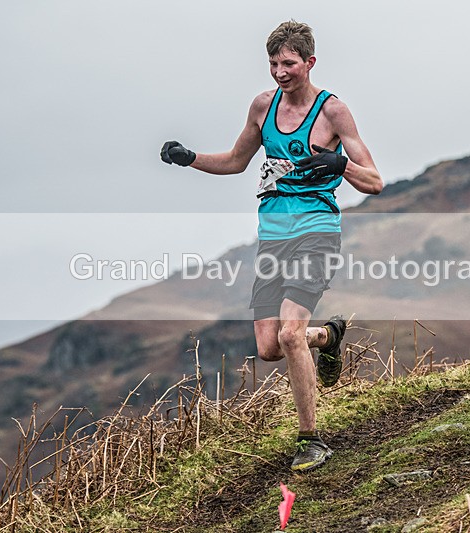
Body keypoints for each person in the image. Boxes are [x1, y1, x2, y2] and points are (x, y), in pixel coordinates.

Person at [160, 20, 382, 471]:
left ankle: (311, 440)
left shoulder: (332, 112)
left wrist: (340, 165)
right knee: (269, 347)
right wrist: (190, 159)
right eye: (273, 64)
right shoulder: (263, 107)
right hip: (273, 236)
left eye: (289, 64)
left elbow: (375, 181)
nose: (280, 72)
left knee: (289, 333)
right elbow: (236, 161)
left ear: (310, 63)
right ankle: (329, 336)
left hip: (317, 232)